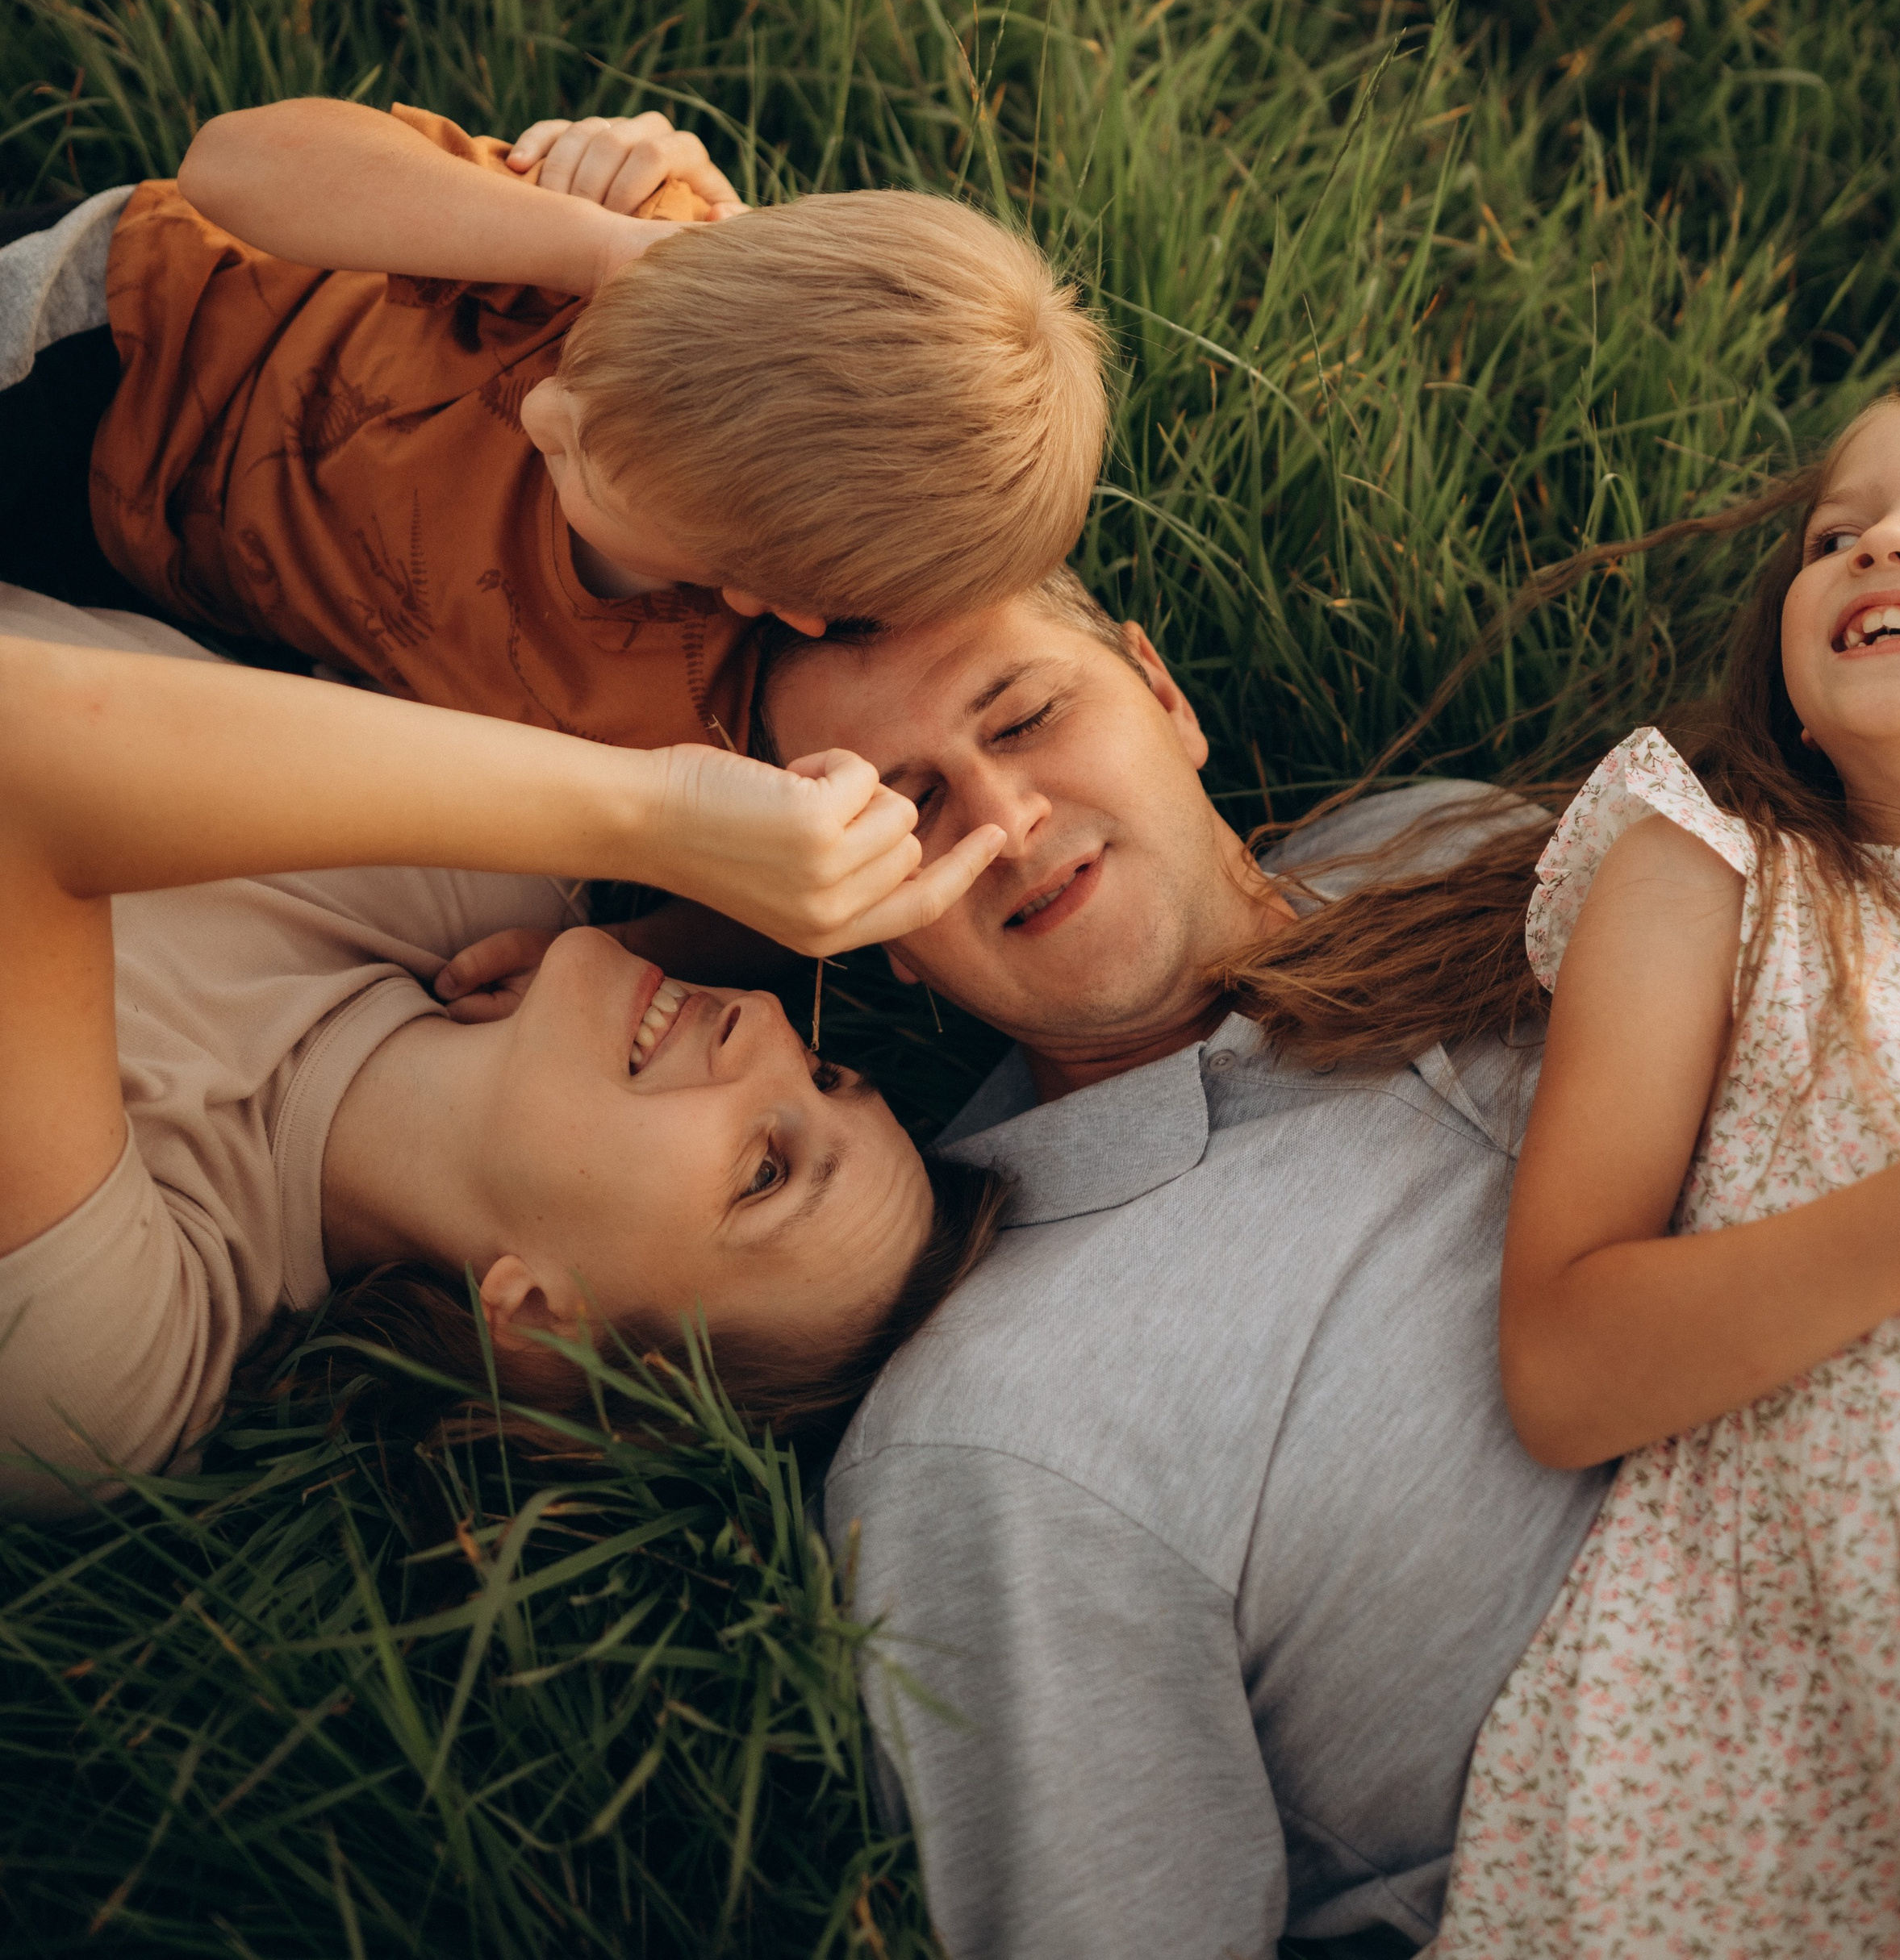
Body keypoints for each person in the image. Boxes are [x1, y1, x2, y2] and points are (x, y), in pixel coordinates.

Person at [448, 567, 1615, 1956]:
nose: (1005, 824)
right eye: (906, 811)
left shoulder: (1449, 835)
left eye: (1026, 716)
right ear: (864, 922)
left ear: (1164, 693)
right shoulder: (993, 1432)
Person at [1428, 362, 1900, 1955]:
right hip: (1814, 1779)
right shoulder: (1719, 873)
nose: (1875, 547)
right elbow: (1565, 1364)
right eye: (1832, 534)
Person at [0, 579, 1007, 1522]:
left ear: (539, 1322)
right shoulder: (492, 890)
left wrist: (656, 815)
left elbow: (22, 766)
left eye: (763, 1172)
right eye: (828, 1071)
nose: (766, 1026)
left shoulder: (120, 1375)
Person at [0, 100, 1108, 760]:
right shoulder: (615, 255)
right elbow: (228, 162)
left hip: (165, 590)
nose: (539, 406)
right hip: (122, 358)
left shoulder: (700, 696)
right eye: (585, 368)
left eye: (586, 461)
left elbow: (743, 896)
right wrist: (579, 244)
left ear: (763, 593)